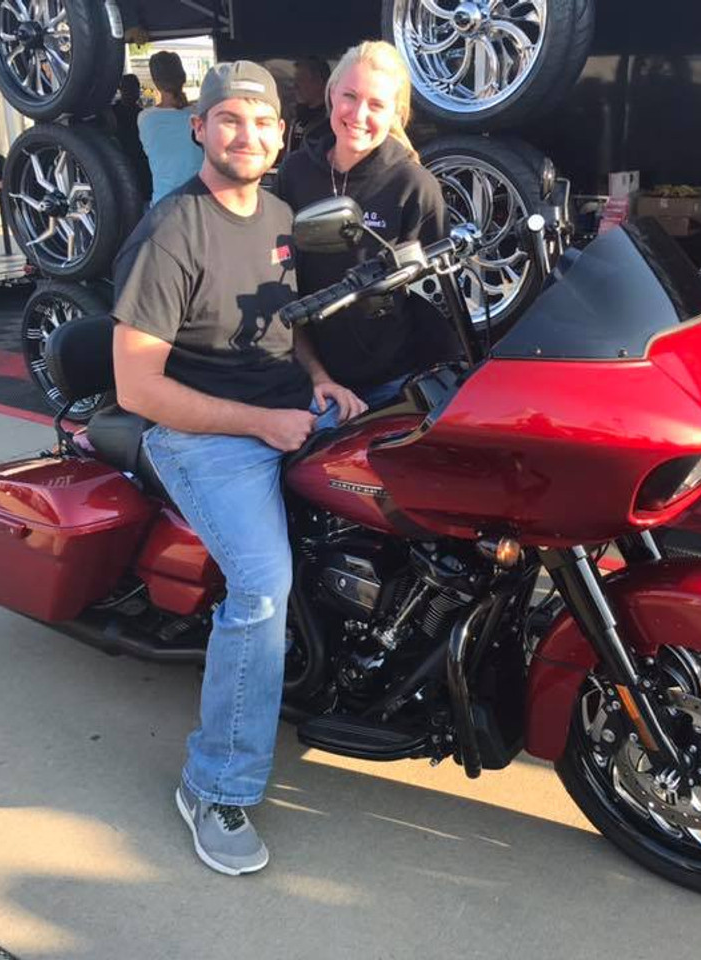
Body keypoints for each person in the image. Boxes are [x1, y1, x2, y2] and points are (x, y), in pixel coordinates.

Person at [111, 61, 365, 876]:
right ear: (199, 129)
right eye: (228, 120)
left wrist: (321, 378)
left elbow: (285, 321)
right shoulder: (171, 231)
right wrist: (264, 420)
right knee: (260, 588)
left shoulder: (281, 213)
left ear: (282, 135)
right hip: (202, 435)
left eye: (260, 122)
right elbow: (138, 387)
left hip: (290, 408)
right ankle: (216, 785)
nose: (246, 135)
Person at [277, 40, 458, 408]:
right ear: (331, 93)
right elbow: (281, 280)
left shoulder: (413, 185)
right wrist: (315, 376)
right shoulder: (294, 172)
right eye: (349, 96)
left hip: (393, 386)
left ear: (396, 112)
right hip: (310, 381)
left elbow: (436, 303)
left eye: (376, 104)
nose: (358, 115)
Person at [138, 51, 206, 207]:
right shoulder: (200, 115)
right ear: (183, 77)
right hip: (199, 204)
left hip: (162, 205)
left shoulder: (145, 119)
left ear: (155, 82)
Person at [109, 73, 153, 202]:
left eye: (134, 88)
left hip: (141, 164)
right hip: (121, 162)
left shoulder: (142, 114)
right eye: (128, 88)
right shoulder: (111, 114)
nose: (132, 92)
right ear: (121, 90)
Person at [286, 57, 331, 154]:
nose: (295, 86)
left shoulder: (330, 126)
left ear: (319, 83)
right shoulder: (296, 118)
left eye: (301, 79)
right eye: (295, 80)